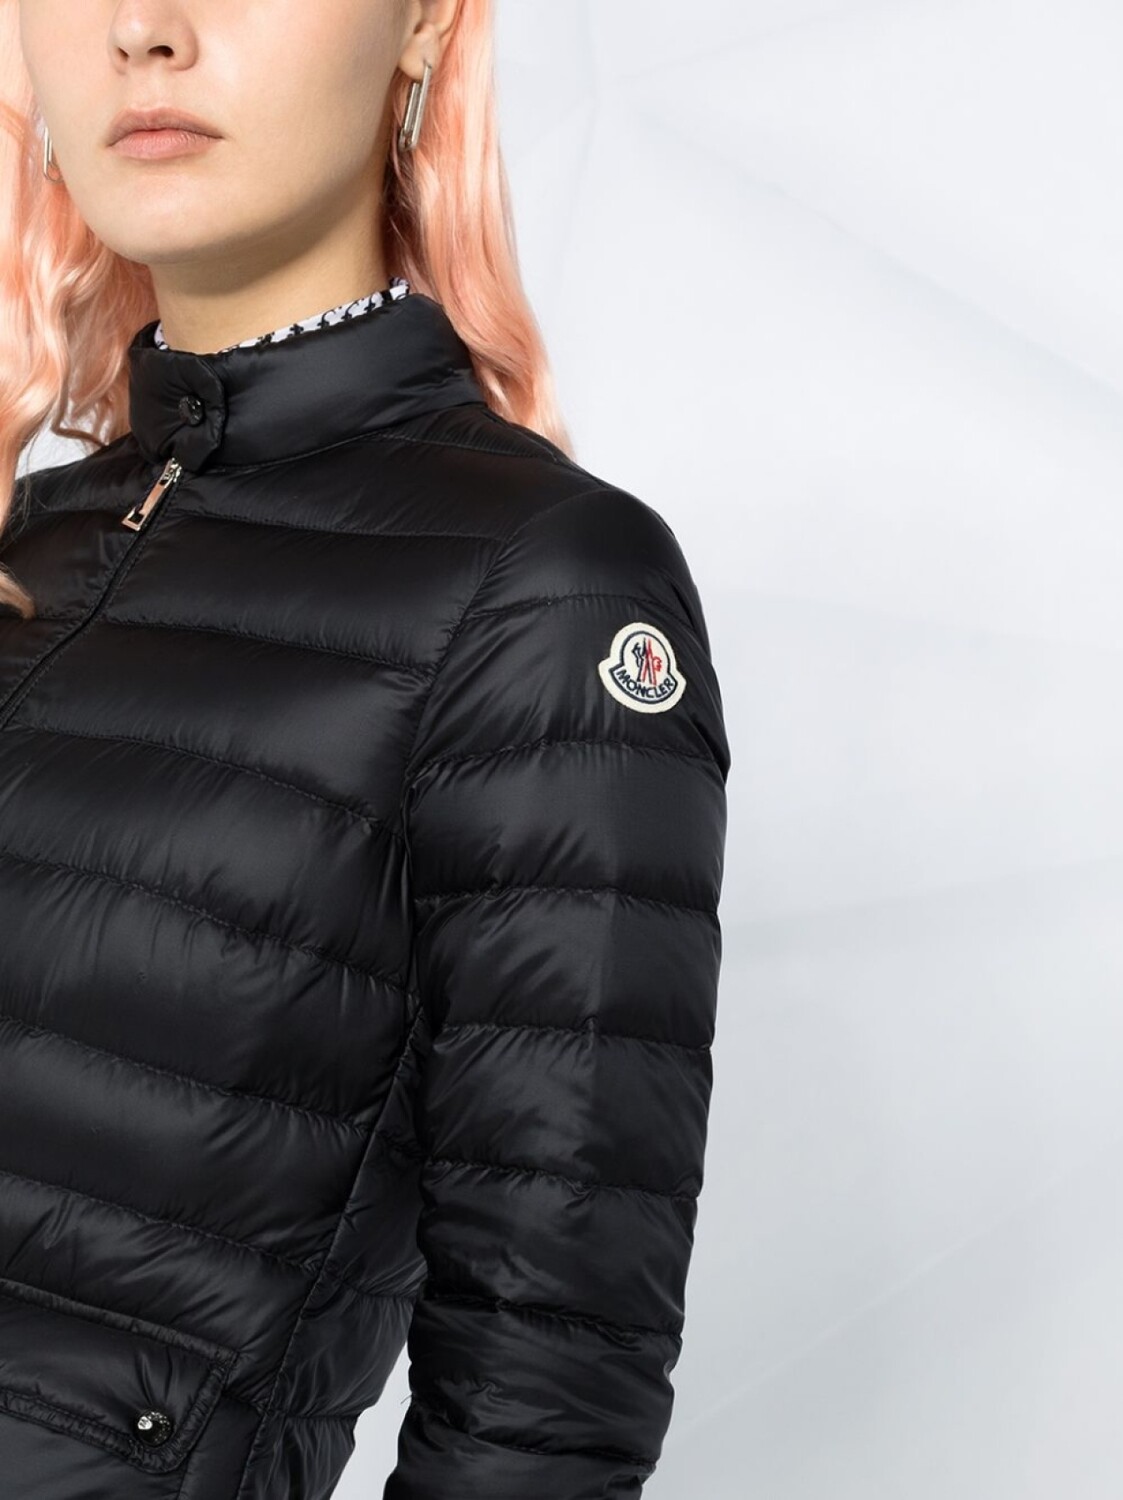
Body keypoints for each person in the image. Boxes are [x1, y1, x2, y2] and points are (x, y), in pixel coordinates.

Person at [0, 2, 731, 1496]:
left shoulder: (542, 586)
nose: (143, 29)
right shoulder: (36, 543)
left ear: (422, 27)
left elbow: (546, 1386)